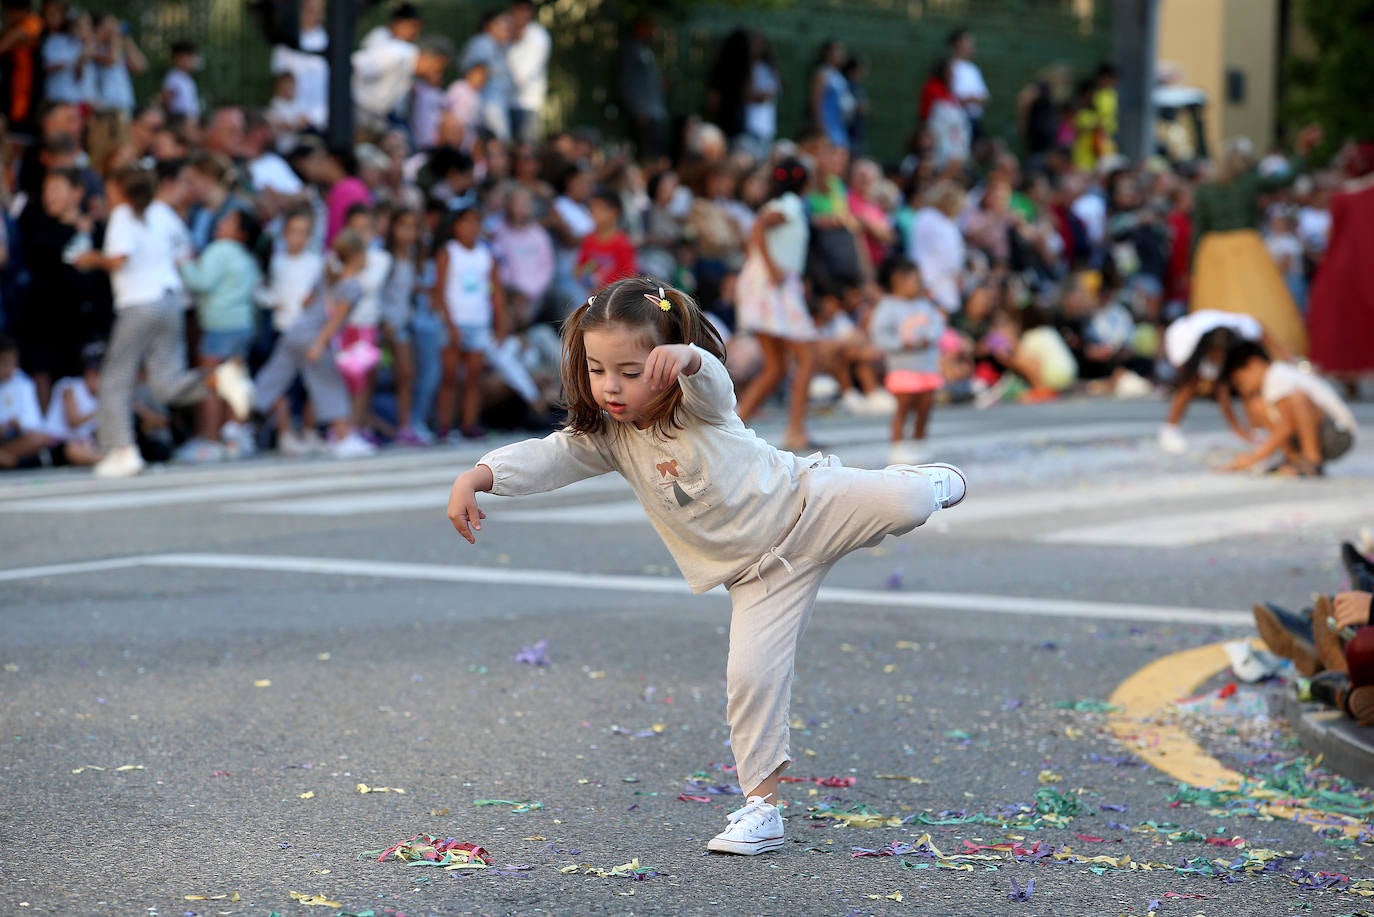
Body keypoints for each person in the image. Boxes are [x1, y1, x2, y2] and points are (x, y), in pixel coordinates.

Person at [444, 276, 967, 855]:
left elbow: (717, 387)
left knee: (910, 502)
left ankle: (921, 479)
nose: (611, 387)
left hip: (809, 504)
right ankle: (761, 809)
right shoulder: (611, 437)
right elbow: (549, 455)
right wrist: (479, 476)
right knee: (751, 681)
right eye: (597, 370)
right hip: (759, 576)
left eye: (631, 371)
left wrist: (691, 359)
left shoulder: (698, 405)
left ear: (664, 363)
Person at [74, 165, 252, 478]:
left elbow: (119, 258)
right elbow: (184, 251)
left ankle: (121, 450)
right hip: (170, 299)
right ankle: (219, 379)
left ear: (118, 190)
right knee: (166, 382)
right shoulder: (162, 212)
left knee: (115, 379)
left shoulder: (123, 215)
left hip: (139, 302)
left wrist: (91, 259)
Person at [1190, 125, 1322, 358]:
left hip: (1213, 252)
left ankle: (1214, 361)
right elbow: (1285, 178)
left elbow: (1199, 230)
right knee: (1257, 304)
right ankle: (1267, 354)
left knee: (1215, 309)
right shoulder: (1248, 182)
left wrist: (1192, 267)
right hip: (1245, 246)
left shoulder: (1205, 190)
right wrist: (1301, 151)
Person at [251, 228, 375, 459]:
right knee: (330, 384)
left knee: (272, 379)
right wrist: (320, 344)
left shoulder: (327, 277)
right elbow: (337, 319)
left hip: (295, 331)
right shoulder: (352, 286)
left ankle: (237, 421)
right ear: (356, 255)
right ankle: (343, 437)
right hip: (314, 338)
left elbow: (305, 301)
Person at [734, 157, 817, 452]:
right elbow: (758, 228)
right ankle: (795, 429)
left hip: (769, 283)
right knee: (806, 356)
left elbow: (757, 232)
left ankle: (735, 423)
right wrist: (771, 267)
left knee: (776, 366)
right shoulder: (790, 203)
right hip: (774, 286)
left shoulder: (780, 204)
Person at [1220, 340, 1357, 476]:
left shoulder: (1278, 376)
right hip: (1319, 435)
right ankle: (1294, 459)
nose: (1242, 390)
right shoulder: (1268, 385)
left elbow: (1286, 426)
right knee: (1259, 405)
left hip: (1337, 433)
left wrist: (1253, 458)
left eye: (1240, 382)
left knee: (1298, 399)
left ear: (1254, 363)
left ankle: (1312, 459)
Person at [434, 199, 505, 440]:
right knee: (450, 376)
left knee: (474, 377)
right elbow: (440, 290)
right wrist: (450, 324)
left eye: (476, 222)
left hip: (478, 322)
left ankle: (468, 424)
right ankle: (444, 425)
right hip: (455, 321)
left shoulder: (486, 255)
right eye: (466, 222)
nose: (472, 227)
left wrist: (500, 323)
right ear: (456, 226)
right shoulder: (449, 252)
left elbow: (495, 291)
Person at [1306, 140, 1374, 386]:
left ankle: (1348, 370)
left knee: (1342, 317)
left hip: (1344, 263)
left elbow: (1333, 233)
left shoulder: (1343, 197)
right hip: (1367, 261)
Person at [1158, 309, 1272, 455]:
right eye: (1215, 355)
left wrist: (1287, 357)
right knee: (1189, 384)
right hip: (1185, 337)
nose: (1218, 359)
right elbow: (1218, 391)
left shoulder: (1246, 330)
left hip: (1217, 337)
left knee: (1247, 381)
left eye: (1221, 356)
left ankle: (1256, 428)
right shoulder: (1185, 341)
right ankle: (1169, 429)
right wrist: (1236, 428)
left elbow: (1223, 389)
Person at [262, 206, 325, 456]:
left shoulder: (317, 263)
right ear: (284, 234)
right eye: (293, 232)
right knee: (282, 385)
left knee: (312, 384)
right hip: (283, 327)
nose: (298, 238)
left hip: (309, 330)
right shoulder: (276, 262)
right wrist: (271, 300)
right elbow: (261, 289)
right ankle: (285, 432)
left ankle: (309, 431)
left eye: (303, 232)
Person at [872, 258, 946, 464]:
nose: (919, 285)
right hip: (902, 367)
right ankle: (897, 445)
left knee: (926, 405)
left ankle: (919, 441)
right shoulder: (887, 307)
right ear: (897, 280)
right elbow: (880, 335)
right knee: (903, 407)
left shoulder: (924, 305)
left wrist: (928, 338)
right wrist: (901, 343)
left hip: (927, 366)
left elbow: (937, 326)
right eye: (915, 280)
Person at [380, 205, 422, 445]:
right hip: (391, 324)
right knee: (404, 373)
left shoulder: (412, 257)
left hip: (405, 322)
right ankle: (402, 425)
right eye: (403, 226)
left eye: (413, 227)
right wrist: (384, 321)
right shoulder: (388, 259)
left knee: (407, 375)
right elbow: (381, 292)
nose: (409, 232)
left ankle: (405, 424)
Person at [39, 339, 101, 466]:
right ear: (90, 373)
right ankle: (104, 460)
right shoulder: (69, 387)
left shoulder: (99, 397)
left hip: (84, 443)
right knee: (73, 449)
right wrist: (100, 411)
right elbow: (73, 421)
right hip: (57, 443)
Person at [459, 9, 514, 143]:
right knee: (499, 145)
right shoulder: (483, 43)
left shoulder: (500, 46)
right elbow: (475, 78)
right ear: (488, 25)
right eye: (501, 23)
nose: (506, 27)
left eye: (508, 23)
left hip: (494, 106)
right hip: (488, 107)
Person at [618, 16, 667, 160]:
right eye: (648, 27)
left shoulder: (646, 49)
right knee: (645, 153)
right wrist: (638, 108)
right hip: (644, 111)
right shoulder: (632, 51)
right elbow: (628, 82)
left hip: (655, 110)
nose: (651, 31)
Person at [0, 332, 50, 469]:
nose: (9, 368)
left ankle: (4, 458)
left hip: (14, 441)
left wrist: (17, 423)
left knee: (39, 438)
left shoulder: (23, 383)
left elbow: (35, 423)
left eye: (13, 363)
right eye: (4, 363)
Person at [575, 190, 636, 294]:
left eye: (599, 208)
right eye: (591, 208)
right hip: (591, 296)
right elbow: (580, 268)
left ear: (615, 213)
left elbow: (629, 277)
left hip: (614, 298)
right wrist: (586, 274)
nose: (593, 212)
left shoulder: (622, 243)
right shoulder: (588, 240)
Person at [506, 0, 550, 143]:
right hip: (504, 101)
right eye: (518, 9)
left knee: (526, 148)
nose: (520, 14)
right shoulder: (505, 32)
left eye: (525, 10)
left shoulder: (538, 35)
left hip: (528, 103)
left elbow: (524, 74)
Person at [807, 39, 850, 150]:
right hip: (827, 123)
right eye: (836, 51)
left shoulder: (837, 74)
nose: (840, 54)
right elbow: (816, 100)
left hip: (838, 124)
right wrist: (820, 125)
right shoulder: (822, 73)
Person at [947, 29, 988, 142]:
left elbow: (984, 98)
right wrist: (972, 99)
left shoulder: (973, 69)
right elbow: (956, 98)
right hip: (956, 122)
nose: (971, 45)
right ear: (957, 44)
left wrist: (972, 99)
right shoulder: (950, 68)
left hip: (975, 121)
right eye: (967, 41)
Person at [160, 39, 200, 120]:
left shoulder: (188, 79)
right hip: (179, 120)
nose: (194, 60)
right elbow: (166, 101)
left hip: (189, 120)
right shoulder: (173, 78)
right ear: (179, 58)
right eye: (191, 56)